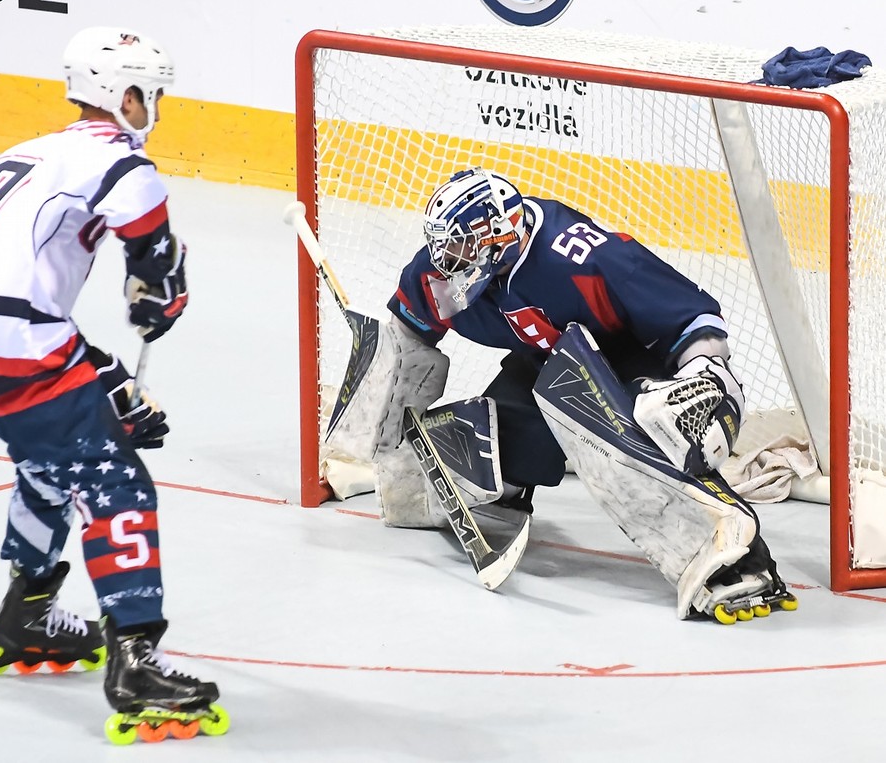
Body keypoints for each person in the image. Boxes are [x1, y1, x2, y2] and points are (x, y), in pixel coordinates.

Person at [326, 166, 792, 622]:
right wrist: (385, 421)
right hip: (548, 360)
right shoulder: (443, 271)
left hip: (627, 361)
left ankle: (734, 557)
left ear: (500, 235)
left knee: (629, 445)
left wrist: (707, 377)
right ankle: (498, 499)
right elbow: (409, 341)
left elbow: (689, 316)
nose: (448, 258)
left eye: (463, 245)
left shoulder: (585, 257)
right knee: (483, 439)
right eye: (445, 245)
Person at [0, 26, 226, 734]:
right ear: (124, 96)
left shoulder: (31, 149)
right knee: (114, 479)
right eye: (149, 95)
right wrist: (159, 286)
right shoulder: (122, 158)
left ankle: (30, 608)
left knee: (51, 457)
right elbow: (146, 228)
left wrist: (110, 378)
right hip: (18, 334)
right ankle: (137, 659)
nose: (154, 107)